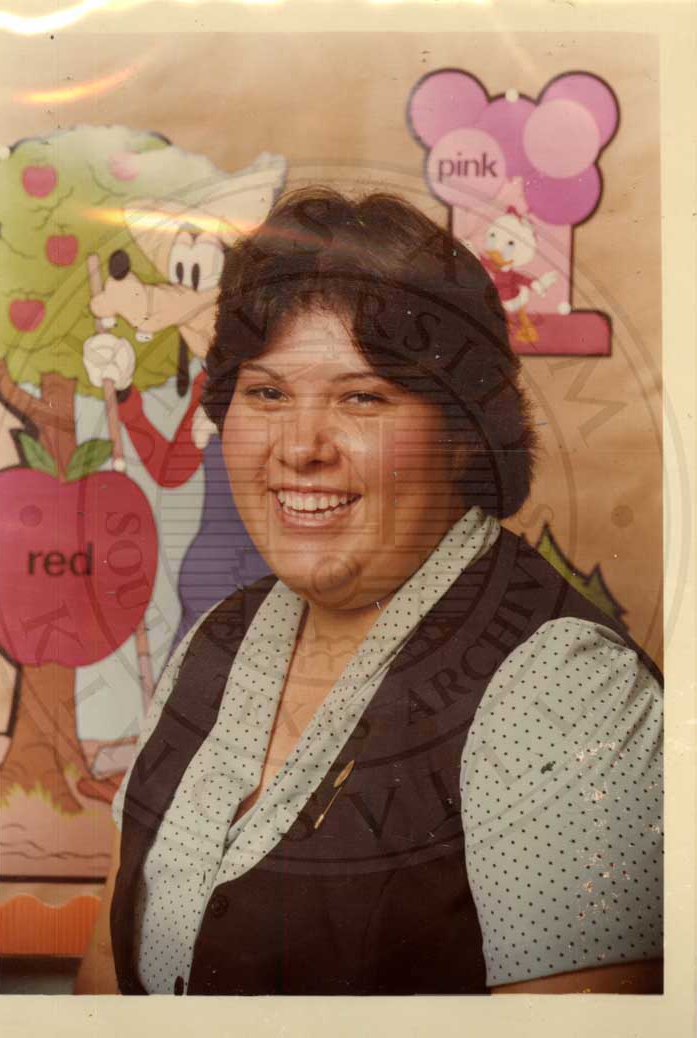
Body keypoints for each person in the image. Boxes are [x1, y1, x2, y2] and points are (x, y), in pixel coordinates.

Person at [75, 188, 663, 996]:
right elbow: (106, 977)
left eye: (363, 397)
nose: (301, 447)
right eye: (267, 393)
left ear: (466, 432)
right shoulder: (217, 639)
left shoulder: (567, 691)